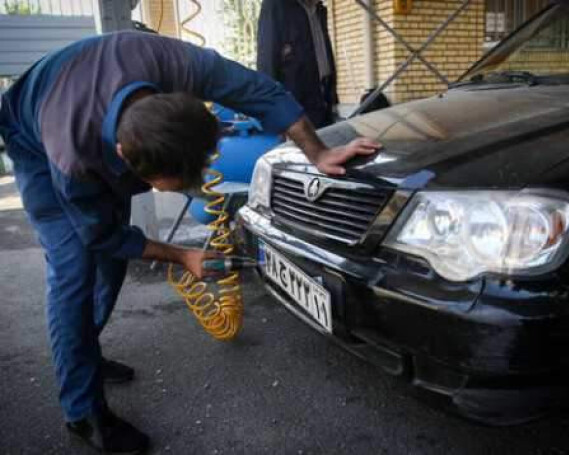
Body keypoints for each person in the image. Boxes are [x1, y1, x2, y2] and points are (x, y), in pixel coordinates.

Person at [0, 31, 380, 454]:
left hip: (96, 90)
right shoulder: (71, 156)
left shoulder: (174, 62)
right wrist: (183, 255)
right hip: (28, 126)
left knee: (110, 264)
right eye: (170, 185)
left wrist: (318, 153)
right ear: (125, 156)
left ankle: (83, 351)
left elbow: (259, 90)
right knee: (75, 269)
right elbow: (101, 235)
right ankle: (82, 410)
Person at [257, 0, 338, 129]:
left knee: (328, 142)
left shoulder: (319, 9)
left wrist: (333, 96)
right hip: (297, 102)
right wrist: (273, 112)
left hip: (323, 95)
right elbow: (266, 60)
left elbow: (324, 52)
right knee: (306, 147)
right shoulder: (276, 5)